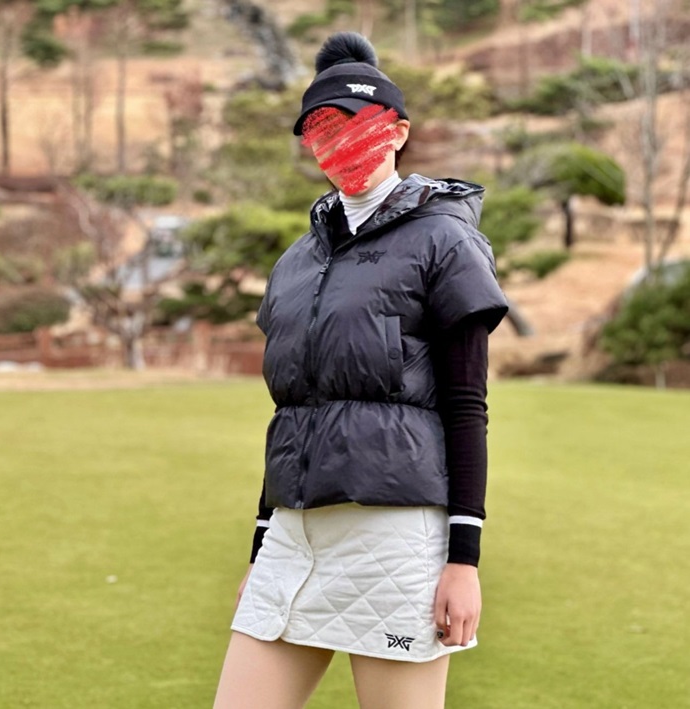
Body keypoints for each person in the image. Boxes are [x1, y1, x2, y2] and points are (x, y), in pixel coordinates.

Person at [213, 31, 509, 709]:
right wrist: (263, 547)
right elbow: (293, 412)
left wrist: (463, 560)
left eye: (352, 122)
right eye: (320, 128)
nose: (336, 140)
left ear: (397, 130)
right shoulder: (296, 262)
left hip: (395, 537)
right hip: (294, 536)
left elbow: (466, 405)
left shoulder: (445, 240)